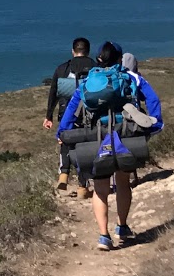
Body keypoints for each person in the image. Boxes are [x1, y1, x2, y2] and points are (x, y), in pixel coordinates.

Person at [57, 42, 163, 250]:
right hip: (125, 137)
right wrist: (155, 123)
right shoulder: (131, 77)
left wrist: (62, 132)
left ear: (98, 59)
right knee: (123, 183)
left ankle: (103, 236)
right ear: (119, 58)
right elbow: (152, 99)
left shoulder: (88, 81)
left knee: (100, 188)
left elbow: (72, 109)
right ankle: (122, 227)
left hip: (96, 138)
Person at [43, 37, 95, 197]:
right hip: (89, 113)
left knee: (65, 141)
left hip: (66, 112)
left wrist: (49, 116)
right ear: (88, 51)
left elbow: (54, 93)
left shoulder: (63, 68)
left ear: (73, 51)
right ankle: (82, 186)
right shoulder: (96, 68)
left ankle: (63, 174)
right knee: (85, 147)